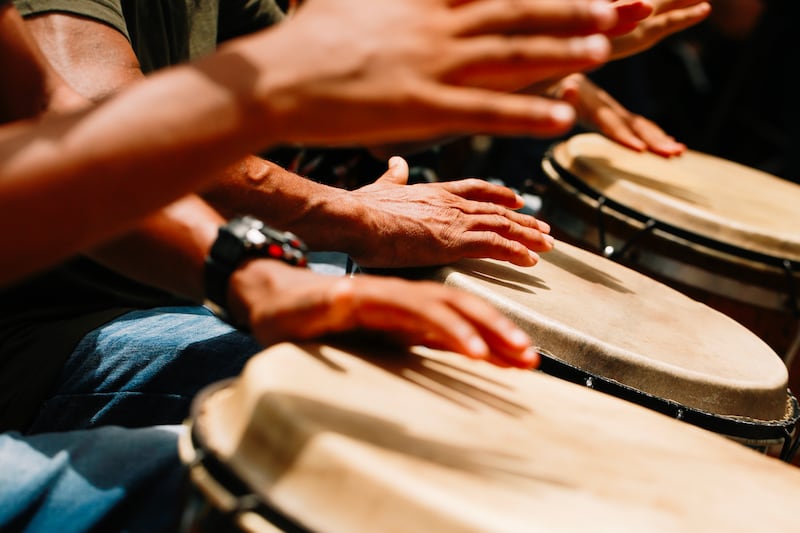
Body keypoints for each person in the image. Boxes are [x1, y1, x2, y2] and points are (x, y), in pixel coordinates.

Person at [0, 1, 629, 530]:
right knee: (318, 478)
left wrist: (253, 273)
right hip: (56, 335)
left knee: (442, 385)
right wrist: (333, 197)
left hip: (180, 279)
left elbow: (57, 118)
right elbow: (91, 107)